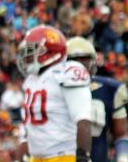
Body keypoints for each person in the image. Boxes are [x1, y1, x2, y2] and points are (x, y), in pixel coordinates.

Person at [14, 25, 93, 162]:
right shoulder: (31, 80)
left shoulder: (66, 72)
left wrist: (82, 155)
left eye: (31, 51)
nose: (26, 57)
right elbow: (31, 126)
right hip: (36, 158)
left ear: (49, 52)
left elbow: (83, 119)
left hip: (63, 156)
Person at [67, 37, 128, 162]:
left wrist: (123, 158)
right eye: (73, 60)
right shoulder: (52, 90)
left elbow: (121, 134)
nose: (79, 65)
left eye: (84, 59)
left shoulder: (108, 89)